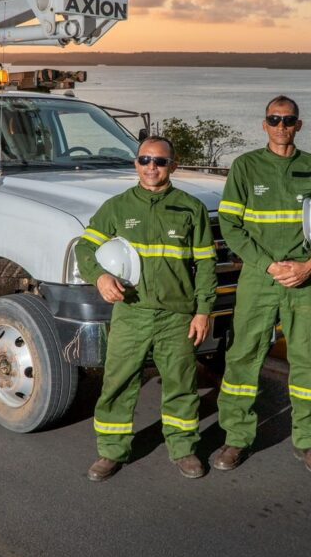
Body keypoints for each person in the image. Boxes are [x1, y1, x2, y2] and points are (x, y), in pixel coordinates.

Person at [213, 95, 311, 476]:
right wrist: (268, 265)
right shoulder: (246, 167)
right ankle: (236, 438)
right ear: (264, 124)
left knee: (310, 360)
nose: (281, 126)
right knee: (244, 356)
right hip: (259, 279)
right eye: (274, 119)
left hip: (304, 279)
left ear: (299, 125)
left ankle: (310, 442)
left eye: (288, 120)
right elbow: (231, 227)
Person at [75, 136, 218, 482]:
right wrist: (99, 278)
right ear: (135, 164)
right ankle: (111, 451)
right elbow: (85, 248)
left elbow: (207, 265)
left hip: (177, 315)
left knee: (181, 384)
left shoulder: (190, 208)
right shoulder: (117, 207)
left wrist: (203, 311)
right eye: (145, 160)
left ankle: (183, 448)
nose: (152, 167)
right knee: (118, 383)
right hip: (132, 313)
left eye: (160, 161)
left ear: (174, 165)